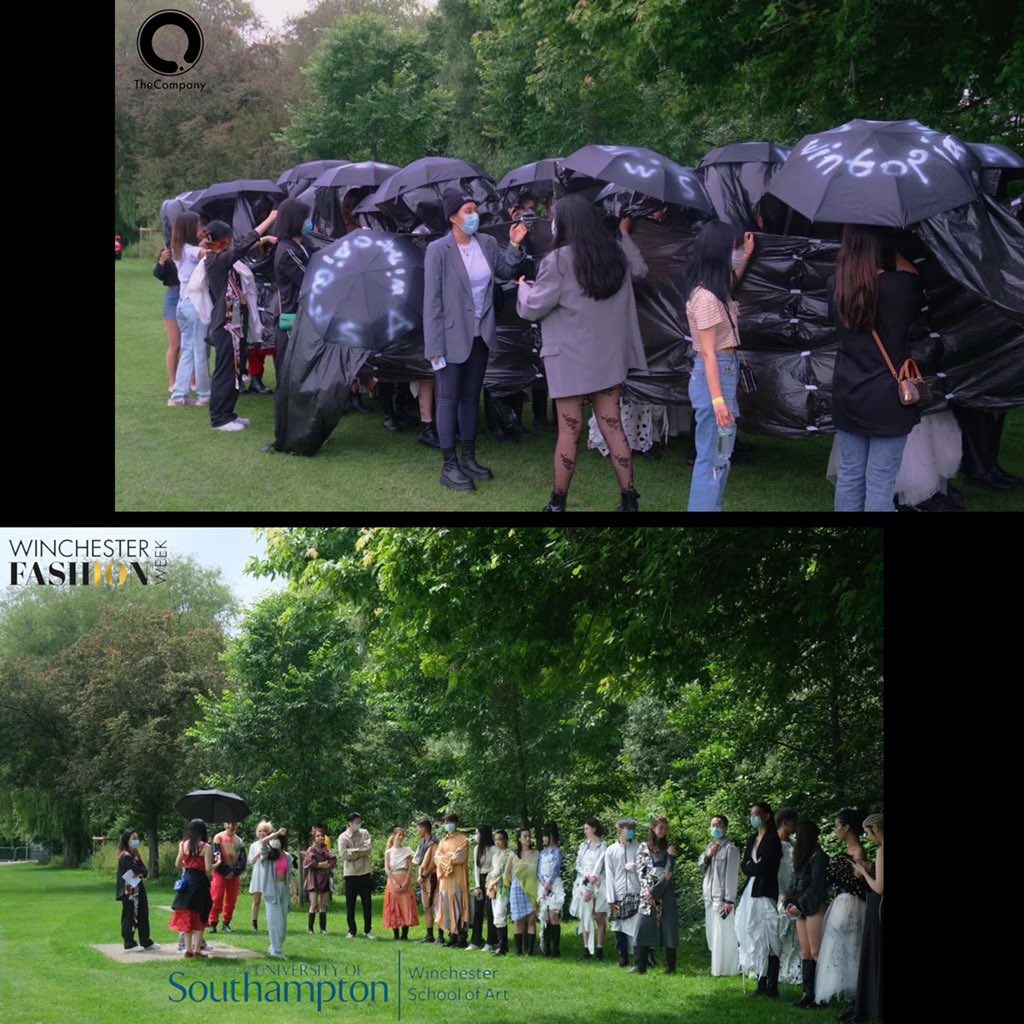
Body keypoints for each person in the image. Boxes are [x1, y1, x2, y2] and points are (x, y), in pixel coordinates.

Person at [516, 194, 648, 511]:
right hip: (608, 360)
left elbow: (533, 308)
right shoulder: (614, 255)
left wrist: (524, 289)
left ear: (564, 223)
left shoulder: (557, 261)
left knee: (568, 431)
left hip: (569, 360)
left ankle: (558, 503)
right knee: (613, 426)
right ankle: (629, 500)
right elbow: (636, 278)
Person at [422, 188, 527, 492]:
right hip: (450, 337)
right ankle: (449, 466)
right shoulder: (438, 250)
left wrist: (516, 244)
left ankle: (468, 458)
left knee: (470, 398)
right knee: (447, 399)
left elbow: (506, 270)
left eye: (474, 209)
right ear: (453, 216)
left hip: (481, 335)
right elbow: (432, 301)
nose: (473, 215)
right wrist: (434, 347)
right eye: (467, 210)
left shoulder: (488, 243)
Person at [829, 224, 924, 511]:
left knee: (849, 476)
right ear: (882, 245)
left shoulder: (835, 285)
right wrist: (891, 249)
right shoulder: (900, 286)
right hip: (888, 399)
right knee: (881, 483)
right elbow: (915, 278)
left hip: (848, 393)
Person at [683, 221, 756, 511]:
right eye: (735, 248)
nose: (737, 253)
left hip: (722, 372)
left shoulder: (714, 291)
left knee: (720, 455)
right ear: (720, 252)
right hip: (715, 375)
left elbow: (731, 281)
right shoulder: (706, 298)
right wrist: (718, 401)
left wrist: (747, 256)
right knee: (713, 457)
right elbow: (709, 354)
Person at [200, 210, 278, 432]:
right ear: (224, 240)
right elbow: (242, 246)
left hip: (235, 323)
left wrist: (264, 239)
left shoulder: (223, 258)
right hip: (225, 325)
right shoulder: (215, 260)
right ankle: (219, 418)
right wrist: (270, 220)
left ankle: (229, 413)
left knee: (236, 369)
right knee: (225, 370)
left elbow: (242, 249)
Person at [814, 810, 868, 1008]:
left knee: (850, 946)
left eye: (837, 826)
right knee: (836, 945)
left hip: (851, 903)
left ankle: (853, 994)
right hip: (840, 902)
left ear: (846, 828)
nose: (836, 830)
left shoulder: (859, 852)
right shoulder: (845, 852)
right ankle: (835, 989)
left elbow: (859, 881)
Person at [735, 801, 783, 996]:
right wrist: (753, 868)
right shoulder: (751, 838)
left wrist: (754, 868)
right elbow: (745, 864)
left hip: (766, 890)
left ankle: (772, 984)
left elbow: (768, 865)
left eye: (757, 814)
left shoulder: (773, 839)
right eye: (752, 814)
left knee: (769, 935)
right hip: (751, 890)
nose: (753, 817)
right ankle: (760, 981)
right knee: (753, 933)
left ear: (767, 816)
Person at [269, 197, 312, 393]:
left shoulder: (300, 246)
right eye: (305, 219)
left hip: (299, 314)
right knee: (289, 369)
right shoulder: (288, 251)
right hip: (290, 316)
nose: (308, 223)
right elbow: (309, 278)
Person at [784, 820, 829, 1008]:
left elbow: (817, 888)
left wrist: (800, 906)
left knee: (817, 952)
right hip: (801, 908)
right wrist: (789, 903)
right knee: (806, 953)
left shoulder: (820, 857)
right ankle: (807, 994)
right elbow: (794, 883)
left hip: (813, 907)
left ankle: (822, 995)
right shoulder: (801, 857)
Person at [169, 212, 210, 408]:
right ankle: (204, 394)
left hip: (182, 304)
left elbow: (195, 253)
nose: (199, 228)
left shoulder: (179, 249)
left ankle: (178, 394)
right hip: (195, 304)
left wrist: (201, 244)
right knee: (200, 351)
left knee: (188, 350)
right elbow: (207, 254)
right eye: (197, 225)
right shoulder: (192, 251)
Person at [846, 813, 883, 1024]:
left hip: (877, 906)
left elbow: (879, 886)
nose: (868, 838)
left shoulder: (881, 850)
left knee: (874, 953)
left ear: (876, 830)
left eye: (868, 833)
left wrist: (862, 871)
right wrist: (869, 866)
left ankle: (871, 1006)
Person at [632, 817, 678, 974]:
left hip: (665, 892)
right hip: (647, 893)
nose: (663, 831)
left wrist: (655, 892)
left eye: (666, 828)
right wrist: (648, 893)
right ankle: (640, 965)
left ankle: (671, 967)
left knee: (668, 927)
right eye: (660, 828)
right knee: (642, 926)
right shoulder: (643, 848)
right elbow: (641, 871)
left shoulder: (670, 848)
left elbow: (669, 873)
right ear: (653, 828)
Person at [699, 814, 740, 976]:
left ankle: (727, 969)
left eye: (719, 825)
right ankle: (717, 967)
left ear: (725, 828)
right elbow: (701, 867)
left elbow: (731, 876)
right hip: (709, 897)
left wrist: (729, 900)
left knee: (724, 935)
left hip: (722, 899)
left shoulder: (731, 849)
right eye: (712, 825)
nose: (715, 828)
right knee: (712, 935)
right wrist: (708, 855)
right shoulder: (710, 846)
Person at [170, 818, 213, 958]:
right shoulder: (205, 847)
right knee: (201, 913)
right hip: (199, 882)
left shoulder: (182, 844)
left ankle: (188, 949)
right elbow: (208, 868)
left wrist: (189, 865)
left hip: (187, 881)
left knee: (187, 913)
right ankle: (197, 949)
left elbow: (177, 863)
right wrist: (217, 863)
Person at [604, 817, 641, 968]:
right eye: (627, 829)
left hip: (635, 891)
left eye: (632, 829)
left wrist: (636, 868)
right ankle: (623, 955)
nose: (630, 832)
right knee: (618, 924)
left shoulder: (639, 848)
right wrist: (611, 897)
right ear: (619, 830)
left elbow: (645, 869)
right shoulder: (611, 850)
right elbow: (609, 874)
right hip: (618, 893)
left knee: (637, 923)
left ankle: (641, 955)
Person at [569, 816, 608, 960]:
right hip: (583, 882)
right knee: (585, 915)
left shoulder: (603, 845)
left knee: (599, 916)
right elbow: (578, 864)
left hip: (598, 883)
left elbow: (600, 864)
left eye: (587, 828)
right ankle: (586, 948)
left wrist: (593, 879)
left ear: (594, 828)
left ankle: (599, 948)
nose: (585, 831)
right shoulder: (583, 846)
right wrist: (586, 876)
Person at [115, 828, 159, 952]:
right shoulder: (125, 855)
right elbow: (133, 869)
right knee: (130, 914)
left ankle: (146, 941)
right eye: (133, 838)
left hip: (138, 886)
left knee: (143, 913)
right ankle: (129, 943)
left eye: (137, 838)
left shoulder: (135, 854)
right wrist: (140, 871)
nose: (136, 841)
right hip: (129, 888)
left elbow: (144, 870)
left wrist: (141, 872)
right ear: (126, 840)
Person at [253, 826, 293, 958]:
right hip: (272, 890)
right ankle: (276, 951)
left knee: (283, 924)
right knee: (275, 922)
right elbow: (263, 842)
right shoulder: (267, 855)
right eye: (273, 838)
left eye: (278, 839)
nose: (275, 840)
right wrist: (275, 833)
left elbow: (289, 875)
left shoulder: (287, 857)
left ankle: (275, 946)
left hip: (283, 890)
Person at [434, 812, 471, 947]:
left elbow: (459, 858)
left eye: (450, 822)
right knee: (448, 907)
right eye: (445, 822)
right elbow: (436, 858)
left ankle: (462, 937)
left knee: (459, 905)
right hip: (445, 880)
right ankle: (452, 936)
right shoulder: (443, 841)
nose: (447, 825)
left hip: (458, 879)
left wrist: (445, 858)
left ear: (456, 823)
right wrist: (448, 857)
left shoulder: (463, 840)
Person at [775, 807, 802, 985]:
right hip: (778, 891)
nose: (796, 826)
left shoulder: (793, 844)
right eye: (794, 822)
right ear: (785, 823)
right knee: (778, 931)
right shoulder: (773, 844)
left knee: (794, 934)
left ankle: (790, 966)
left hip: (793, 891)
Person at [337, 812, 374, 939]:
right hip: (350, 874)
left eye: (360, 822)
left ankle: (368, 930)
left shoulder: (365, 833)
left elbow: (368, 849)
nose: (359, 825)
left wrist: (353, 851)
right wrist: (359, 851)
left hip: (364, 872)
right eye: (356, 822)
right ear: (349, 823)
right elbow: (344, 855)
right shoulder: (342, 837)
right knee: (350, 904)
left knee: (367, 903)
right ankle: (352, 930)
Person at [506, 826, 539, 955]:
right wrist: (517, 883)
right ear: (519, 839)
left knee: (531, 919)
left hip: (532, 888)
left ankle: (530, 951)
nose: (528, 838)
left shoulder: (536, 854)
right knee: (518, 920)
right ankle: (519, 950)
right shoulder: (513, 855)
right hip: (517, 889)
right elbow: (507, 873)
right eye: (524, 836)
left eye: (529, 836)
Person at [154, 246, 182, 395]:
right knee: (175, 343)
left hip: (190, 294)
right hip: (173, 295)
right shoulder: (167, 251)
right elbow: (158, 274)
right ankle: (173, 381)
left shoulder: (191, 248)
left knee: (189, 344)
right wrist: (162, 261)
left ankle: (193, 380)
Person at [383, 827, 420, 940]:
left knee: (406, 905)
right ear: (394, 836)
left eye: (402, 835)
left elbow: (409, 868)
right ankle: (396, 934)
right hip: (393, 880)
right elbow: (387, 869)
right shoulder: (388, 852)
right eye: (399, 835)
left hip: (405, 879)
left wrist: (406, 882)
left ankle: (405, 934)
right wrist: (394, 882)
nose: (401, 837)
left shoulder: (407, 850)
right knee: (394, 906)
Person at [208, 821, 245, 933]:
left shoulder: (239, 841)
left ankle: (226, 922)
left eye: (233, 823)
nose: (231, 826)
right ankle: (213, 922)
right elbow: (216, 856)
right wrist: (225, 872)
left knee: (231, 899)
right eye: (228, 823)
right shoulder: (218, 837)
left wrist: (234, 872)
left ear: (237, 825)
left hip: (234, 874)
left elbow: (242, 860)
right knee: (216, 897)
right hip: (220, 873)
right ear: (224, 824)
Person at [537, 822, 565, 957]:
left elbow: (555, 869)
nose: (544, 839)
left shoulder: (557, 852)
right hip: (543, 887)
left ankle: (556, 948)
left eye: (546, 836)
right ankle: (546, 947)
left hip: (555, 886)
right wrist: (543, 884)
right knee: (545, 916)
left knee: (554, 916)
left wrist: (548, 884)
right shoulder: (542, 853)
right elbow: (539, 871)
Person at [304, 824, 338, 935]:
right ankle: (310, 928)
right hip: (314, 880)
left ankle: (323, 928)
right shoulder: (311, 850)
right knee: (313, 904)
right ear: (314, 837)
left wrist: (322, 865)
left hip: (325, 879)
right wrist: (321, 865)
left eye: (322, 836)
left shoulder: (328, 850)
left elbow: (332, 861)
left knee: (323, 905)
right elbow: (310, 863)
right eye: (318, 836)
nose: (321, 838)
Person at [468, 824, 497, 951]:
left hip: (491, 881)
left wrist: (491, 883)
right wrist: (477, 885)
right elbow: (476, 868)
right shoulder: (476, 849)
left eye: (477, 833)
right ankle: (476, 940)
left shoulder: (494, 849)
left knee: (490, 911)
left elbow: (496, 868)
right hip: (481, 879)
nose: (476, 836)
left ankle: (491, 941)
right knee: (478, 911)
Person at [487, 829, 514, 957]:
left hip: (504, 888)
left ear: (506, 840)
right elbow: (492, 870)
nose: (498, 842)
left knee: (500, 914)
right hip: (494, 888)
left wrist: (494, 882)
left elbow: (506, 873)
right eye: (496, 839)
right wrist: (490, 885)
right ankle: (500, 945)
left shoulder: (510, 854)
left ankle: (503, 947)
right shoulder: (495, 855)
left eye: (500, 839)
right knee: (495, 917)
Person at [413, 817, 440, 943]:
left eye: (418, 828)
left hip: (432, 878)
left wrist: (424, 875)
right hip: (423, 879)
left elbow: (433, 862)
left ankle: (440, 935)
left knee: (435, 905)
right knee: (426, 907)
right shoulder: (422, 843)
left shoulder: (434, 843)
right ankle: (429, 935)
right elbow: (418, 861)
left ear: (424, 828)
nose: (417, 831)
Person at [248, 820, 273, 932]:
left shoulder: (272, 844)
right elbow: (250, 861)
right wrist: (258, 854)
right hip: (258, 872)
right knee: (256, 900)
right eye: (260, 830)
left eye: (264, 831)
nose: (262, 833)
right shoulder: (254, 845)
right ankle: (254, 923)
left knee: (269, 900)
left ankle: (271, 923)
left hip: (268, 873)